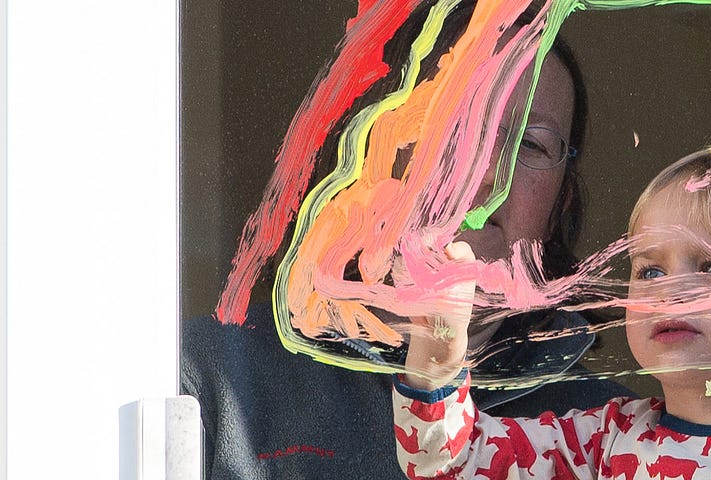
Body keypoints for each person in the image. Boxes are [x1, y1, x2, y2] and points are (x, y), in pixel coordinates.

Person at [181, 3, 634, 478]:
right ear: (371, 147)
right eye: (450, 122)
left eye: (530, 143)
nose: (481, 176)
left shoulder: (610, 440)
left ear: (560, 204)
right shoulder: (207, 381)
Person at [390, 136, 711, 479]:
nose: (668, 290)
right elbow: (452, 465)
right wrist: (438, 350)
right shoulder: (606, 437)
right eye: (650, 271)